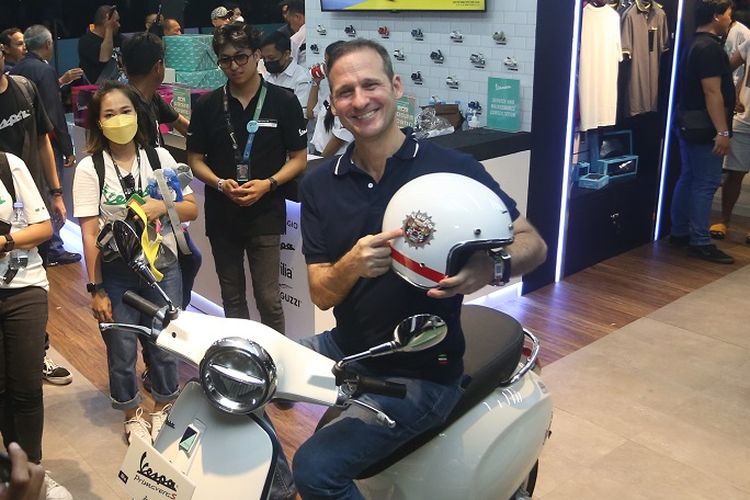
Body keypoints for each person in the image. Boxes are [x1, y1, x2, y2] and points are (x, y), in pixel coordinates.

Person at [292, 39, 548, 499]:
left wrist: (490, 267)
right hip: (347, 347)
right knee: (248, 366)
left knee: (314, 470)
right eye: (345, 91)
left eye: (370, 85)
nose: (359, 100)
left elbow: (532, 242)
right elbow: (321, 293)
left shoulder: (451, 168)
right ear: (333, 103)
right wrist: (351, 265)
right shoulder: (319, 183)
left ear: (395, 86)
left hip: (424, 371)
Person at [72, 81, 197, 444]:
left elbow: (191, 209)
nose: (119, 119)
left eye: (125, 111)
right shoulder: (90, 168)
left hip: (163, 269)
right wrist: (96, 289)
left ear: (138, 115)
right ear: (98, 122)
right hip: (117, 274)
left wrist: (162, 206)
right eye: (109, 114)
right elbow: (89, 234)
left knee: (164, 344)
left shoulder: (159, 158)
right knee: (121, 348)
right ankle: (131, 413)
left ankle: (163, 407)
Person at [186, 22, 307, 334]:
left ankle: (274, 358)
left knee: (269, 299)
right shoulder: (208, 105)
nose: (234, 66)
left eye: (241, 57)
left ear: (256, 55)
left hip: (266, 211)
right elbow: (195, 160)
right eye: (225, 60)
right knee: (232, 297)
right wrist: (218, 183)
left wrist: (269, 184)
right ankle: (240, 356)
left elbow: (299, 158)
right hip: (222, 211)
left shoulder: (283, 101)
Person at [0, 148, 71, 500]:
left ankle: (35, 470)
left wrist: (7, 241)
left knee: (27, 386)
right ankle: (15, 473)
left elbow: (44, 227)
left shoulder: (8, 165)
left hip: (24, 286)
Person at [0, 46, 73, 386]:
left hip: (31, 207)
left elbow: (44, 139)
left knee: (32, 280)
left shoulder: (24, 88)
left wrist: (56, 192)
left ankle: (36, 353)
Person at [671, 0, 735, 263]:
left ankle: (679, 231)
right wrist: (723, 132)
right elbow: (712, 92)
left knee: (689, 177)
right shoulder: (709, 48)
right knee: (705, 183)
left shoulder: (693, 44)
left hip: (688, 122)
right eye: (729, 14)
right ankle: (700, 241)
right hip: (705, 126)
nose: (731, 19)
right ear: (716, 16)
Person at [12, 25, 82, 267]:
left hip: (23, 144)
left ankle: (38, 244)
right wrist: (67, 147)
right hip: (47, 142)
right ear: (48, 45)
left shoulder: (17, 69)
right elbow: (54, 113)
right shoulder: (44, 69)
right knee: (52, 193)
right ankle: (54, 247)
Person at [711, 29, 750, 244]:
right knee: (734, 174)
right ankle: (724, 220)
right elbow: (727, 68)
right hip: (744, 120)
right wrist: (732, 94)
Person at [308, 41, 353, 156]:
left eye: (326, 63)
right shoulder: (332, 93)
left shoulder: (348, 96)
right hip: (319, 153)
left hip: (332, 157)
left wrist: (320, 161)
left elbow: (339, 138)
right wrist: (315, 83)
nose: (323, 67)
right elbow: (310, 113)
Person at [260, 31, 311, 119]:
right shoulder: (268, 76)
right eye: (264, 58)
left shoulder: (302, 78)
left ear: (286, 54)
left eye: (271, 58)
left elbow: (301, 115)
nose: (267, 61)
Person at [78, 4, 122, 83]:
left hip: (120, 84)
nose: (119, 25)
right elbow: (104, 58)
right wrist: (109, 28)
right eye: (116, 21)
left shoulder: (118, 38)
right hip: (99, 87)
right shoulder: (86, 41)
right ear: (106, 21)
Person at [286, 0, 306, 65]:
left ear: (297, 17)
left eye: (290, 22)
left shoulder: (297, 38)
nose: (291, 27)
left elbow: (293, 65)